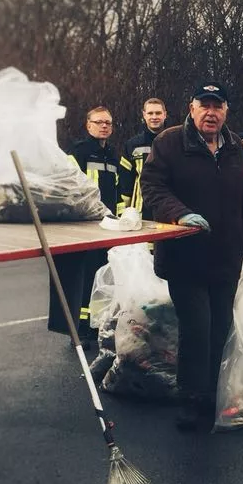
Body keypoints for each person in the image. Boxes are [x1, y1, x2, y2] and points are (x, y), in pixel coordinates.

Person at [141, 82, 243, 431]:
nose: (211, 113)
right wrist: (178, 213)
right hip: (185, 257)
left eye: (218, 106)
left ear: (226, 111)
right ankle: (192, 399)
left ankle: (213, 394)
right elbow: (152, 186)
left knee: (220, 329)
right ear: (192, 108)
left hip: (226, 258)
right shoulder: (169, 143)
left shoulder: (235, 150)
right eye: (204, 105)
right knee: (197, 329)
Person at [48, 107, 120, 343]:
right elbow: (67, 186)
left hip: (108, 225)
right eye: (98, 122)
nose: (103, 126)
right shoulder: (78, 152)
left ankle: (98, 324)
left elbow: (117, 191)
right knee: (85, 276)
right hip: (85, 224)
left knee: (104, 274)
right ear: (88, 125)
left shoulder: (113, 155)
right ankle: (79, 329)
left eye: (107, 123)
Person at [117, 97, 168, 214]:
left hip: (168, 209)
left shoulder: (175, 142)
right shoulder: (132, 145)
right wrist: (123, 212)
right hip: (140, 210)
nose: (154, 117)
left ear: (165, 114)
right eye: (150, 113)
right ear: (144, 115)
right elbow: (125, 182)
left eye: (158, 113)